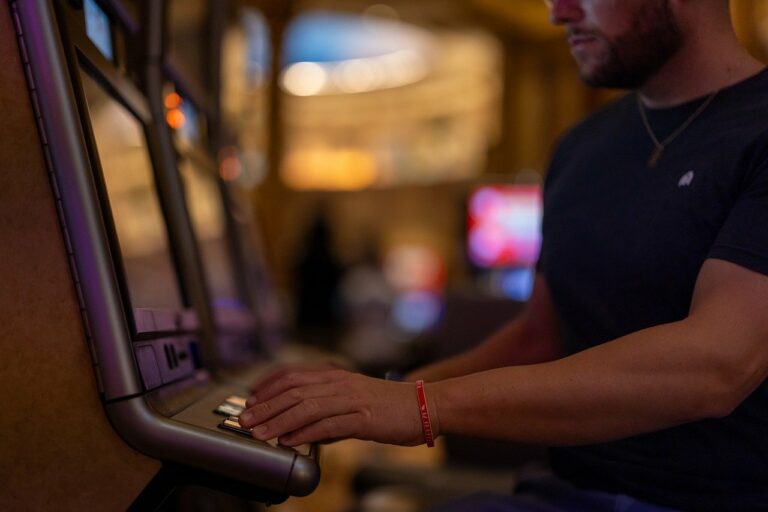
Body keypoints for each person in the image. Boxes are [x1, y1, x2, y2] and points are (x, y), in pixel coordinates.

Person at [239, 1, 768, 510]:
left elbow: (719, 364)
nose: (558, 12)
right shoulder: (582, 147)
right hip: (563, 492)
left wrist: (419, 406)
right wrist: (367, 398)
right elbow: (540, 337)